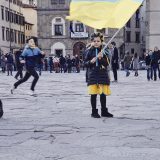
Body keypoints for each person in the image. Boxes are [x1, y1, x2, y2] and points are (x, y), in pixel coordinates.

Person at [85, 32, 113, 118]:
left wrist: (101, 58)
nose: (96, 42)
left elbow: (107, 63)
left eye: (98, 41)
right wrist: (90, 61)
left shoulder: (104, 51)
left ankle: (104, 111)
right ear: (92, 42)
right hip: (93, 74)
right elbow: (85, 63)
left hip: (102, 74)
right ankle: (94, 112)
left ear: (101, 42)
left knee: (102, 94)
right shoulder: (89, 51)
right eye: (94, 41)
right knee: (93, 94)